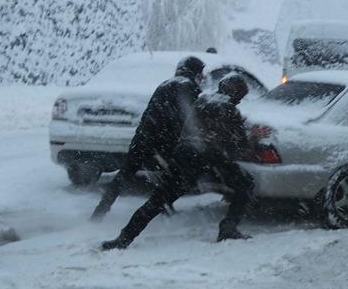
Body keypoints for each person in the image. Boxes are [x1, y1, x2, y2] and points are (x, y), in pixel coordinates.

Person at [100, 74, 257, 250]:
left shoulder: (202, 101)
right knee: (246, 183)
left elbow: (199, 128)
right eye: (241, 97)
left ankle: (124, 238)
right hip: (209, 160)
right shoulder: (229, 109)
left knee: (157, 201)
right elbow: (239, 147)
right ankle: (228, 228)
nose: (240, 102)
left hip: (183, 157)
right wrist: (255, 135)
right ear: (236, 94)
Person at [91, 55, 206, 220]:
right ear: (195, 72)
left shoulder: (165, 84)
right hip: (164, 141)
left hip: (143, 136)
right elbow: (189, 118)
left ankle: (101, 210)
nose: (202, 77)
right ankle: (162, 207)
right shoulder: (189, 87)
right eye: (201, 73)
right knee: (177, 175)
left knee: (126, 173)